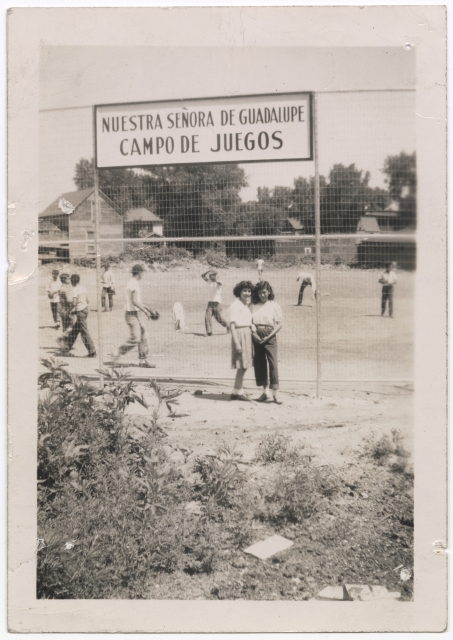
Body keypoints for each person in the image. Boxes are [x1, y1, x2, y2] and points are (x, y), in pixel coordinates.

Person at [112, 264, 157, 368]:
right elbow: (134, 301)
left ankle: (143, 361)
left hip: (136, 314)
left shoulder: (134, 282)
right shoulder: (133, 283)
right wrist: (146, 312)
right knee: (136, 338)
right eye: (142, 272)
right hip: (131, 315)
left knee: (144, 337)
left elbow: (138, 302)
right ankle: (117, 352)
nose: (143, 274)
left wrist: (148, 309)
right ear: (139, 272)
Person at [250, 281, 283, 404]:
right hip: (256, 335)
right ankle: (265, 392)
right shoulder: (253, 305)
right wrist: (253, 333)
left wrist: (269, 336)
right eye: (259, 293)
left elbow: (279, 324)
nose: (262, 295)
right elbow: (249, 321)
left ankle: (275, 394)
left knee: (273, 363)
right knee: (259, 363)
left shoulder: (274, 305)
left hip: (270, 334)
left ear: (269, 292)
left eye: (264, 292)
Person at [57, 274, 97, 357]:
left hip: (80, 312)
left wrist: (69, 310)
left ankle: (92, 352)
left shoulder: (75, 290)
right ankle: (66, 348)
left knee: (84, 332)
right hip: (85, 310)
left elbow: (74, 303)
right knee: (75, 330)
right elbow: (88, 300)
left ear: (72, 281)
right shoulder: (83, 288)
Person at [228, 280, 254, 401]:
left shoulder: (245, 305)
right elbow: (232, 325)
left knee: (244, 364)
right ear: (239, 291)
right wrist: (237, 342)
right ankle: (238, 392)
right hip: (240, 334)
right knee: (241, 365)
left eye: (249, 291)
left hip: (247, 334)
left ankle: (236, 390)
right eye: (244, 291)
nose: (247, 293)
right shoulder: (235, 305)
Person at [201, 269, 228, 336]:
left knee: (219, 318)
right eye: (209, 275)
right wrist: (208, 271)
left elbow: (220, 283)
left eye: (211, 275)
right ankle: (209, 332)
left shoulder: (218, 282)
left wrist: (216, 278)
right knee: (207, 317)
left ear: (215, 276)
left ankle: (229, 326)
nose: (209, 276)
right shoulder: (209, 281)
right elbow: (202, 275)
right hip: (210, 302)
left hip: (217, 303)